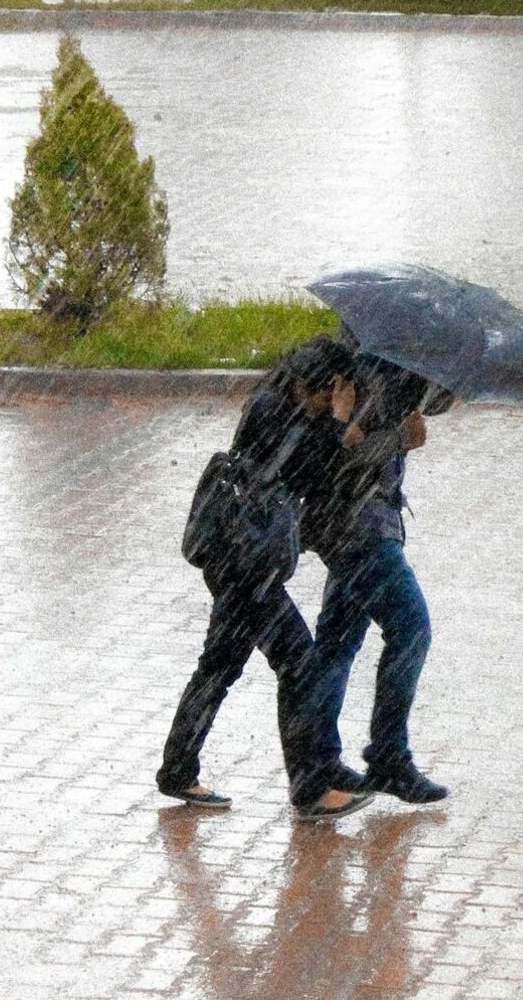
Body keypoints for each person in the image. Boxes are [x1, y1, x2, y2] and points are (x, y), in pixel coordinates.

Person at [156, 337, 420, 819]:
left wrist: (342, 427)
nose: (337, 402)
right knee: (299, 662)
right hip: (244, 563)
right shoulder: (278, 413)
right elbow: (318, 474)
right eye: (334, 392)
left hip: (234, 555)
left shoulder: (276, 402)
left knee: (220, 663)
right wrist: (342, 425)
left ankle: (177, 770)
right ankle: (309, 788)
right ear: (314, 386)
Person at [300, 355, 453, 805]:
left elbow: (434, 404)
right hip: (360, 530)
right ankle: (387, 756)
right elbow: (343, 458)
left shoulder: (398, 364)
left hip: (356, 526)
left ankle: (318, 760)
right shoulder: (371, 370)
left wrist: (443, 381)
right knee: (411, 628)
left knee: (337, 642)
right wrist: (400, 439)